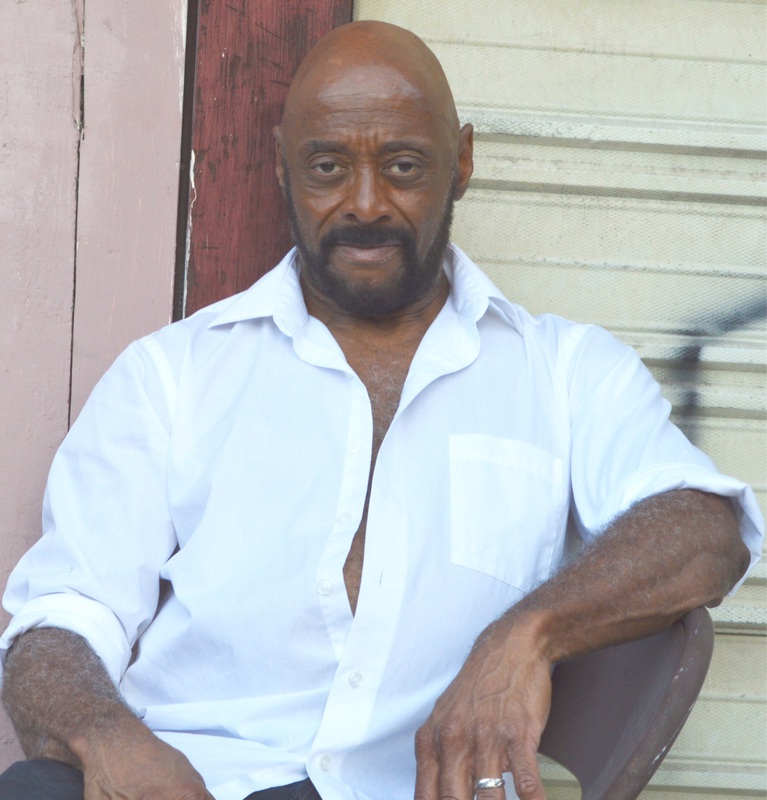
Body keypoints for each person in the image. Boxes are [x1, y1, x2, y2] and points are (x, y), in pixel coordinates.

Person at [0, 19, 762, 800]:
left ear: (460, 161)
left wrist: (525, 634)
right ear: (282, 167)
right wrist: (107, 738)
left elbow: (704, 532)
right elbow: (60, 620)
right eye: (328, 167)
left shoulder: (565, 374)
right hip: (196, 781)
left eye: (402, 166)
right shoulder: (171, 376)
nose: (365, 204)